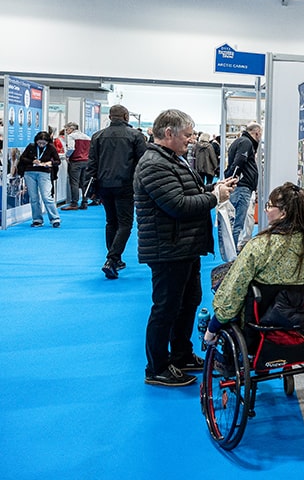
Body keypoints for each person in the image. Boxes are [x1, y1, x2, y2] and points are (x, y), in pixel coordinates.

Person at [135, 109, 236, 387]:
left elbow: (188, 193)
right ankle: (156, 367)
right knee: (166, 308)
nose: (191, 140)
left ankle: (180, 355)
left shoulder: (172, 160)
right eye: (188, 135)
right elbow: (177, 205)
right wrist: (215, 197)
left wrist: (215, 188)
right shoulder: (154, 164)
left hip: (183, 247)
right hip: (168, 249)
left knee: (188, 302)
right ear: (169, 134)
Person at [204, 182, 304, 344]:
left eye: (269, 206)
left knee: (225, 278)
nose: (265, 210)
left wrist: (213, 326)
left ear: (283, 213)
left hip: (263, 324)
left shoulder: (260, 246)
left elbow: (234, 291)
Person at [85, 105, 148, 279]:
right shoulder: (136, 136)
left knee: (111, 222)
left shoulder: (97, 136)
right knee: (125, 223)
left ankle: (115, 259)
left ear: (110, 117)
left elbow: (91, 164)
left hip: (104, 185)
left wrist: (90, 188)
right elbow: (143, 163)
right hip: (126, 184)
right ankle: (112, 259)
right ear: (126, 116)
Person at [225, 121, 262, 248]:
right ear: (257, 132)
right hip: (242, 187)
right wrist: (233, 178)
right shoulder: (246, 142)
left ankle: (234, 250)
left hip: (242, 186)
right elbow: (239, 161)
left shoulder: (242, 141)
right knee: (238, 224)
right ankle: (234, 254)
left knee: (239, 221)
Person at [16, 131, 61, 228]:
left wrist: (50, 163)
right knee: (34, 198)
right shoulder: (31, 146)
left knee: (46, 197)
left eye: (43, 143)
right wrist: (33, 161)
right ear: (36, 141)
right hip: (30, 173)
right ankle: (37, 220)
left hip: (44, 173)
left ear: (47, 142)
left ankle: (55, 219)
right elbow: (22, 158)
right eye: (39, 143)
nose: (41, 145)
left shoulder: (51, 148)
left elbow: (58, 161)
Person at [61, 121, 91, 210]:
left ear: (71, 129)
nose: (66, 132)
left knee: (74, 182)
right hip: (86, 161)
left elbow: (71, 148)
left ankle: (74, 203)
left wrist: (67, 156)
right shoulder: (87, 137)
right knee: (84, 183)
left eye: (67, 130)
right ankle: (85, 202)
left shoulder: (71, 136)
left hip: (75, 161)